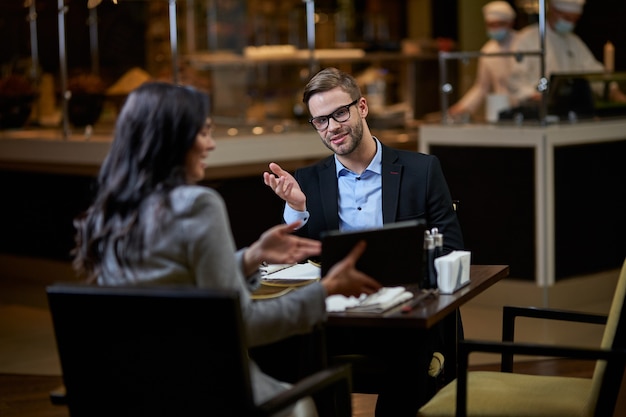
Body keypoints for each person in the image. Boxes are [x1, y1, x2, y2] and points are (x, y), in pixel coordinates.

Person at [71, 82, 382, 417]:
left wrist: (251, 257)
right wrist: (326, 290)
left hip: (135, 391)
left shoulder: (112, 211)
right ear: (172, 139)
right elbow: (244, 324)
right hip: (208, 391)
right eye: (203, 133)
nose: (211, 144)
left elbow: (181, 288)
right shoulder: (197, 205)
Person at [263, 67, 464, 416]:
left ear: (362, 107)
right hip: (338, 319)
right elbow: (294, 259)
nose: (333, 128)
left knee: (408, 363)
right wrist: (297, 209)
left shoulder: (422, 170)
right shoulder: (307, 180)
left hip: (404, 316)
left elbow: (450, 248)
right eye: (321, 121)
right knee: (282, 350)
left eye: (340, 113)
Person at [509, 0, 626, 105]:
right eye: (567, 18)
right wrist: (534, 96)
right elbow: (516, 80)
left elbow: (592, 69)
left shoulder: (574, 41)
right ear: (553, 11)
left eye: (574, 20)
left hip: (572, 109)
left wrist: (613, 91)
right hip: (539, 110)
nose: (570, 23)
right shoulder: (528, 38)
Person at [448, 1, 519, 118]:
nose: (495, 28)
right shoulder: (488, 50)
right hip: (501, 110)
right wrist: (462, 107)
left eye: (499, 24)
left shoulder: (524, 44)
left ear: (510, 23)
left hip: (525, 107)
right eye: (491, 25)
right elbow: (481, 87)